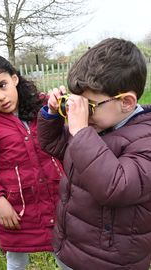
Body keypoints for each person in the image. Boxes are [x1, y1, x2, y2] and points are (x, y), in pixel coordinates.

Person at [37, 37, 151, 269]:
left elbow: (116, 187)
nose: (81, 115)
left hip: (109, 260)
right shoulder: (93, 127)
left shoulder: (145, 140)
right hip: (71, 247)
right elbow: (55, 146)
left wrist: (80, 131)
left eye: (87, 106)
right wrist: (51, 115)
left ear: (127, 102)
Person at [0, 54, 68, 270]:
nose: (0, 97)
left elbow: (67, 139)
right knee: (16, 261)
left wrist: (60, 107)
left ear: (15, 78)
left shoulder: (43, 107)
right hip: (16, 210)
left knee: (67, 255)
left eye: (3, 85)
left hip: (58, 200)